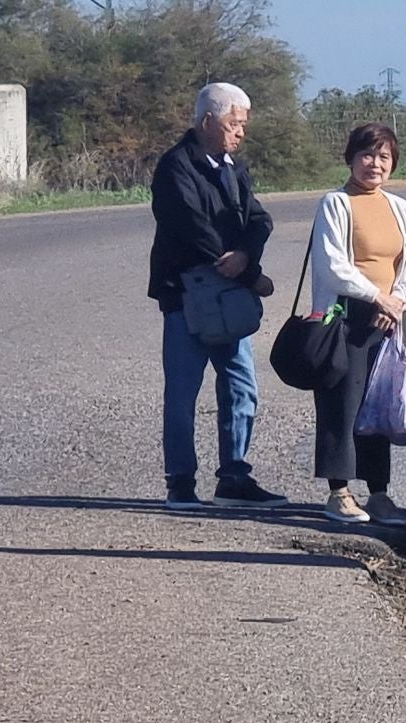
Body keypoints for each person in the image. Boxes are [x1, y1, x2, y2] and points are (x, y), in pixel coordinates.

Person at [148, 82, 286, 510]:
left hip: (231, 297)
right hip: (187, 296)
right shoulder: (174, 168)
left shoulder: (233, 168)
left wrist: (245, 257)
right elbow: (193, 228)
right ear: (207, 121)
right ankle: (181, 484)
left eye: (243, 125)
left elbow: (259, 220)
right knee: (183, 392)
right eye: (233, 123)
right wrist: (241, 268)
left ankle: (234, 477)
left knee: (242, 386)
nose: (240, 132)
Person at [306, 123, 406, 524]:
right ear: (351, 158)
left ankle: (379, 493)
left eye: (384, 157)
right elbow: (332, 266)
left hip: (389, 320)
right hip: (346, 317)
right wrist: (377, 297)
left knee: (378, 409)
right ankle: (339, 492)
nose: (374, 164)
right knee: (342, 404)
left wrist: (398, 303)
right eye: (367, 155)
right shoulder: (336, 204)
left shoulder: (401, 209)